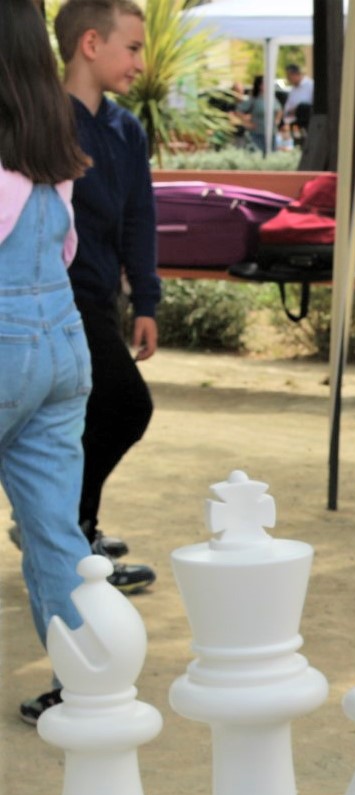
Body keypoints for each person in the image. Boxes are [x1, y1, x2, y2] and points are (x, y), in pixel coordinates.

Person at [2, 0, 100, 725]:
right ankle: (90, 690)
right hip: (63, 338)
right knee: (55, 533)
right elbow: (62, 244)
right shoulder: (48, 119)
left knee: (53, 532)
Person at [53, 0, 156, 603]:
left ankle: (69, 529)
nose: (140, 62)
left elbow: (141, 218)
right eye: (133, 48)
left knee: (91, 416)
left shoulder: (126, 129)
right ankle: (72, 532)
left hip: (101, 299)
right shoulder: (43, 121)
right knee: (125, 407)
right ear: (90, 44)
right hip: (57, 300)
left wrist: (146, 300)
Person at [235, 73, 278, 154]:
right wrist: (247, 123)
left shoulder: (271, 97)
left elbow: (279, 109)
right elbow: (238, 111)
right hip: (257, 133)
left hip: (271, 132)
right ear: (260, 85)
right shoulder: (254, 99)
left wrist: (277, 120)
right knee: (259, 154)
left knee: (272, 155)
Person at [281, 62, 313, 135]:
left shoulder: (310, 86)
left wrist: (298, 109)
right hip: (293, 125)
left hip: (306, 123)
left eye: (289, 76)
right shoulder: (293, 89)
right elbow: (287, 107)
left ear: (295, 74)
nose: (288, 79)